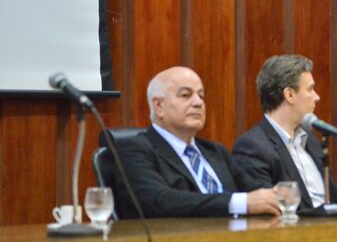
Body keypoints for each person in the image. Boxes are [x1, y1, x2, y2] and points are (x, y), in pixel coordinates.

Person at [115, 67, 281, 218]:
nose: (198, 103)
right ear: (158, 106)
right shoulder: (135, 149)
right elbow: (158, 201)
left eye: (201, 96)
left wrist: (277, 196)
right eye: (185, 95)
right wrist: (238, 203)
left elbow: (253, 191)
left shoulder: (215, 151)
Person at [232, 55, 337, 211]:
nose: (317, 97)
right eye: (310, 89)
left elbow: (336, 200)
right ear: (290, 95)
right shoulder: (252, 148)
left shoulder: (309, 139)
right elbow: (268, 211)